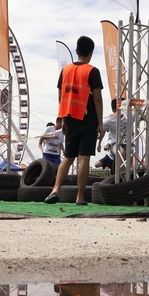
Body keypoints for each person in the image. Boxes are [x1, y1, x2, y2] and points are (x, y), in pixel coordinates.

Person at [45, 36, 104, 206]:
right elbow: (97, 99)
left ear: (77, 51)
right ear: (91, 53)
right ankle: (80, 197)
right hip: (87, 118)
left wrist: (63, 119)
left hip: (69, 118)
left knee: (68, 156)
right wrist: (100, 123)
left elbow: (61, 97)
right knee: (84, 158)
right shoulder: (93, 71)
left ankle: (55, 189)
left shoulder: (65, 71)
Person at [96, 98, 149, 174]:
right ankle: (120, 177)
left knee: (126, 163)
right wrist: (99, 142)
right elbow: (101, 130)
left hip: (128, 144)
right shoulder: (109, 120)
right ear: (115, 109)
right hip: (114, 144)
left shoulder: (130, 117)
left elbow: (146, 117)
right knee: (121, 152)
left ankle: (118, 174)